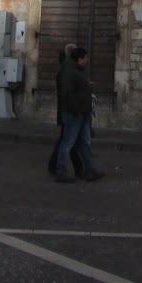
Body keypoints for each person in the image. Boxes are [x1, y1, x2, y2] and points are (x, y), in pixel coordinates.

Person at [53, 46, 103, 184]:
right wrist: (75, 110)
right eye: (86, 58)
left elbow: (77, 88)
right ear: (80, 59)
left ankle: (90, 170)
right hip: (74, 114)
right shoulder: (69, 71)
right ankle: (61, 171)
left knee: (85, 142)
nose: (87, 60)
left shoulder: (77, 70)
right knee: (68, 143)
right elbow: (67, 93)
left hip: (82, 113)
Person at [47, 42, 85, 179]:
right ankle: (61, 168)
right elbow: (67, 93)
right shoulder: (66, 71)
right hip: (68, 111)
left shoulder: (66, 69)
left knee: (67, 140)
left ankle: (66, 167)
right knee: (67, 141)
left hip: (66, 110)